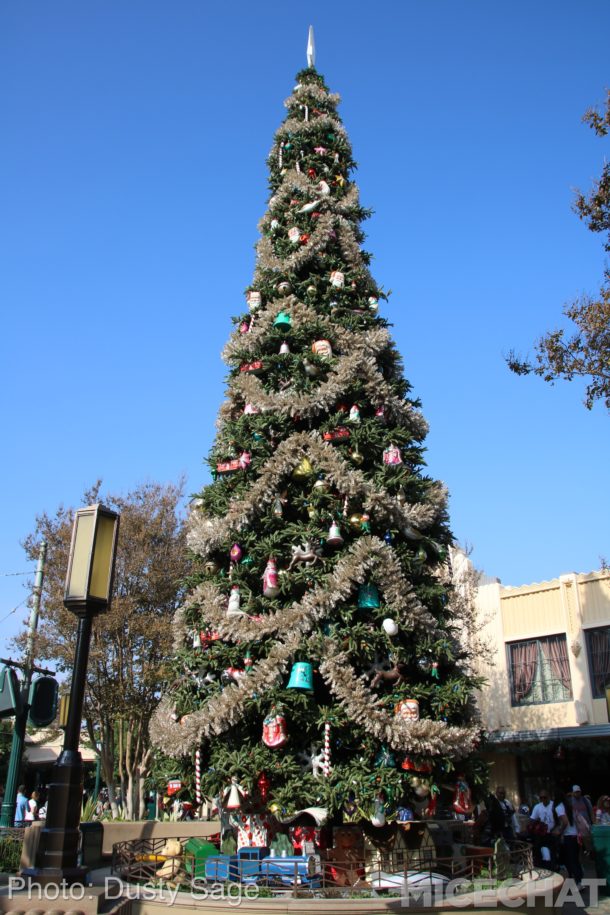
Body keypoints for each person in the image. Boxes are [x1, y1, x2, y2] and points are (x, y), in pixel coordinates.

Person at [554, 791, 583, 885]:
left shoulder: (559, 807)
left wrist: (560, 831)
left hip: (568, 836)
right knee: (575, 859)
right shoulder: (568, 805)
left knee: (570, 860)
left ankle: (577, 881)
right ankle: (580, 880)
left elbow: (565, 821)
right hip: (575, 835)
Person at [529, 790, 558, 869]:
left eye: (545, 797)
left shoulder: (554, 805)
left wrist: (555, 829)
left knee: (553, 853)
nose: (543, 799)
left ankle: (554, 868)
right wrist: (536, 822)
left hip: (552, 833)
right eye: (541, 798)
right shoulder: (537, 807)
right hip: (541, 834)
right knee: (539, 852)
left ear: (549, 797)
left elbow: (559, 819)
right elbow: (531, 820)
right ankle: (543, 868)